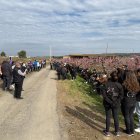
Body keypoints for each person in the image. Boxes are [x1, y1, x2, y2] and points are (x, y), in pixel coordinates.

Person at [101, 71, 124, 137]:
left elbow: (104, 95)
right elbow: (121, 96)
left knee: (108, 116)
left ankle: (107, 131)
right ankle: (117, 132)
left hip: (107, 103)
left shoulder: (106, 84)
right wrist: (116, 102)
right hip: (115, 104)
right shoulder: (120, 85)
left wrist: (110, 102)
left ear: (110, 77)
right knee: (116, 117)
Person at [121, 71, 140, 136]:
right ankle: (132, 131)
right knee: (131, 116)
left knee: (126, 116)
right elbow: (137, 92)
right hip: (133, 101)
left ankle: (128, 131)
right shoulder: (136, 83)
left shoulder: (124, 84)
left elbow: (122, 94)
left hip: (126, 102)